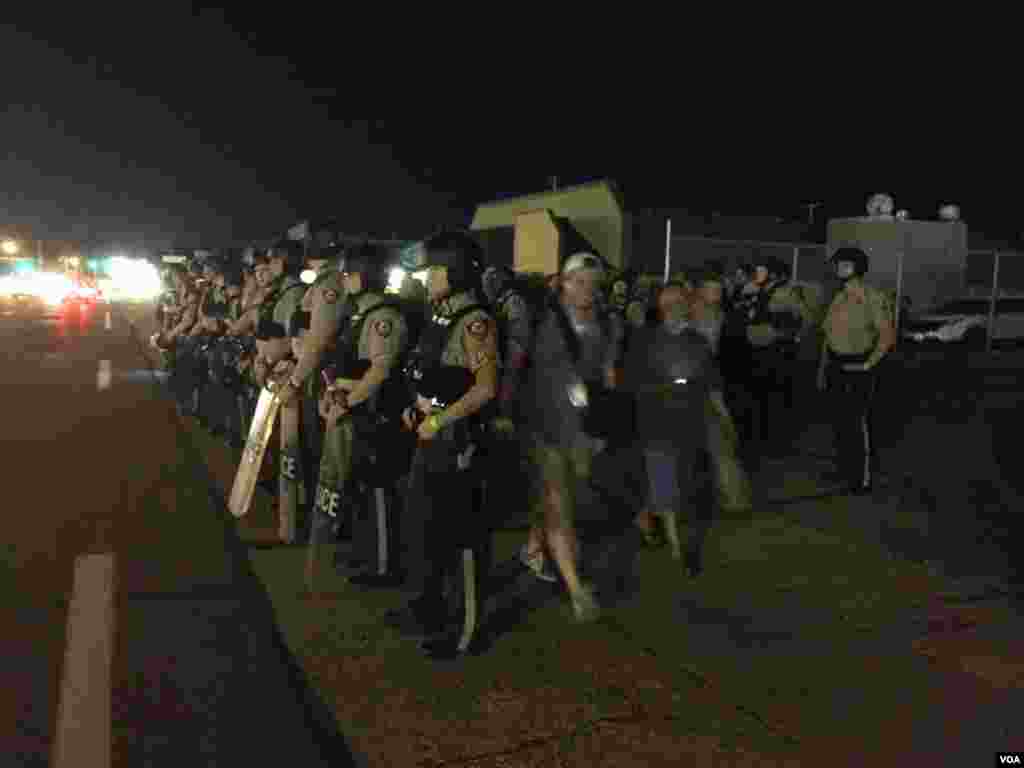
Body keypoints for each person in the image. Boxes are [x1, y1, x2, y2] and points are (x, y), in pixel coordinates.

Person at [385, 230, 500, 660]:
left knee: (458, 535)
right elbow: (431, 374)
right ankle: (425, 609)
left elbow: (485, 388)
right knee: (421, 527)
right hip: (431, 436)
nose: (427, 276)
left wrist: (438, 420)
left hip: (458, 441)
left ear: (454, 271)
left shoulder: (475, 322)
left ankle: (462, 629)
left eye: (434, 268)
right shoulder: (440, 316)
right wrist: (416, 408)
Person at [518, 252, 624, 622]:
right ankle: (576, 588)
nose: (587, 289)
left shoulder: (608, 323)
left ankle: (535, 544)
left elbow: (609, 374)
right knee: (560, 505)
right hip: (547, 427)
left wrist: (606, 421)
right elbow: (541, 372)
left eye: (593, 283)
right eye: (579, 281)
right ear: (563, 283)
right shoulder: (544, 321)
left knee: (563, 498)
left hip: (584, 429)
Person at [624, 282, 721, 575]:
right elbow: (633, 383)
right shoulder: (646, 340)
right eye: (668, 305)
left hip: (690, 426)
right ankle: (677, 544)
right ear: (661, 307)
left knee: (689, 486)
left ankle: (681, 538)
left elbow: (712, 384)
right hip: (656, 426)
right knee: (664, 485)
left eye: (679, 303)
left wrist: (721, 418)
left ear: (687, 305)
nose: (673, 310)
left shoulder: (697, 342)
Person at [818, 246, 896, 495]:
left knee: (857, 423)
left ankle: (861, 478)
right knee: (839, 421)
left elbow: (887, 336)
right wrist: (823, 369)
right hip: (836, 365)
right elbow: (828, 336)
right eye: (838, 264)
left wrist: (867, 364)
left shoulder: (872, 296)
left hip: (858, 365)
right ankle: (844, 469)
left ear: (858, 268)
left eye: (846, 264)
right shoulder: (838, 297)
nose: (840, 268)